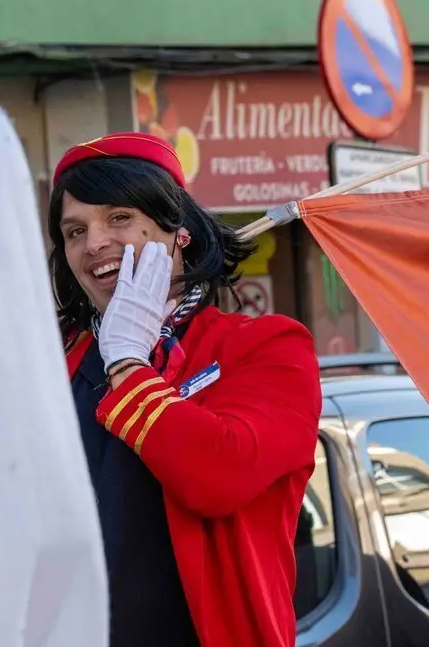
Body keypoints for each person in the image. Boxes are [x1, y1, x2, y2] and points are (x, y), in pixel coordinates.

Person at [48, 132, 322, 647]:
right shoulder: (55, 363)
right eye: (74, 231)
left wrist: (127, 360)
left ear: (179, 231)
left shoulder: (266, 347)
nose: (94, 243)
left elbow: (220, 475)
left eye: (119, 218)